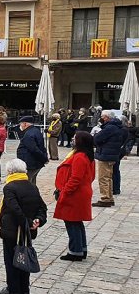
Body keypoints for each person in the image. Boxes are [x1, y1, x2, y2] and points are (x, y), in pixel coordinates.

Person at [0, 158, 47, 294]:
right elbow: (41, 207)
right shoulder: (31, 186)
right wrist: (38, 220)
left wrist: (28, 222)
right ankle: (24, 289)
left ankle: (13, 290)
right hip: (27, 231)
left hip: (13, 230)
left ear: (10, 171)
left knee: (11, 259)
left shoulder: (9, 187)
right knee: (22, 258)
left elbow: (14, 209)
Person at [54, 131, 95, 261]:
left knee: (72, 222)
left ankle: (75, 251)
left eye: (75, 138)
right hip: (81, 192)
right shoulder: (87, 156)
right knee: (77, 222)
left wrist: (65, 191)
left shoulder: (80, 157)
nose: (72, 139)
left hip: (75, 194)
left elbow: (75, 178)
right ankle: (81, 249)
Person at [92, 110, 125, 207]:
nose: (101, 118)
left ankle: (105, 198)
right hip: (112, 154)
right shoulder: (117, 127)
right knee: (109, 177)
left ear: (107, 117)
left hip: (106, 155)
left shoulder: (109, 128)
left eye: (102, 116)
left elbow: (97, 138)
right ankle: (109, 197)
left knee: (103, 178)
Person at [16, 116, 48, 185]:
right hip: (34, 163)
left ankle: (29, 195)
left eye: (21, 124)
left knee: (26, 183)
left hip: (31, 164)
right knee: (32, 182)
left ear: (25, 124)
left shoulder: (29, 134)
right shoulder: (35, 131)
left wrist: (44, 158)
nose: (20, 126)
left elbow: (34, 150)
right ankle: (33, 195)